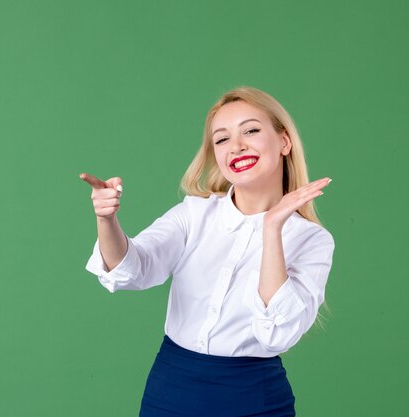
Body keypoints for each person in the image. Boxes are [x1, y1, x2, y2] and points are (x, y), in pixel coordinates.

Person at [80, 86, 334, 417]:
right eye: (222, 139)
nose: (237, 145)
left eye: (252, 130)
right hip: (172, 390)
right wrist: (106, 219)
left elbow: (276, 334)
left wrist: (271, 228)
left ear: (284, 141)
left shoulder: (312, 240)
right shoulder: (193, 214)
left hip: (255, 398)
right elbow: (130, 268)